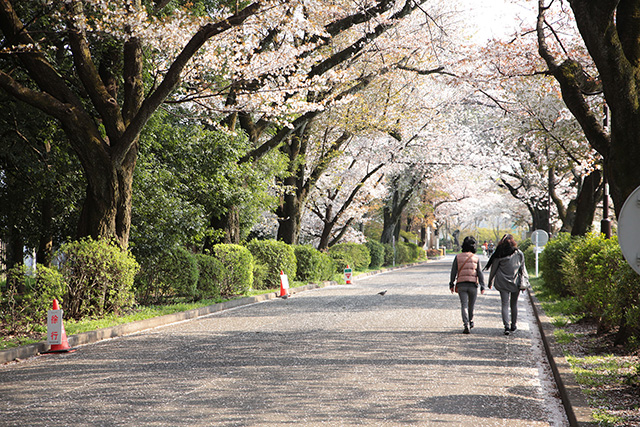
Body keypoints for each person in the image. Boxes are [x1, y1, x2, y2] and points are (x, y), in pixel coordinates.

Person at [484, 234, 529, 335]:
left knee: (504, 303)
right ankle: (513, 324)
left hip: (502, 282)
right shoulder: (519, 253)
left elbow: (493, 269)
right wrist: (524, 283)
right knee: (514, 304)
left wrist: (490, 281)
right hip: (515, 282)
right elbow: (522, 269)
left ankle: (506, 326)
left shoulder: (500, 254)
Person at [449, 236, 485, 334]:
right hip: (473, 284)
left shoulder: (457, 257)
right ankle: (470, 320)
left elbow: (453, 272)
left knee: (464, 305)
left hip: (461, 284)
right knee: (471, 305)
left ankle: (466, 324)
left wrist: (451, 284)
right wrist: (482, 285)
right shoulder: (476, 258)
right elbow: (480, 272)